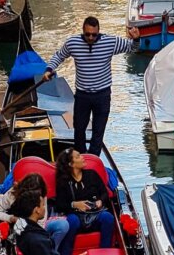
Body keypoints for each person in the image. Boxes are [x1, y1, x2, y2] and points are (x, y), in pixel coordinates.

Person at [44, 16, 140, 154]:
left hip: (102, 95)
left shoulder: (110, 42)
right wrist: (49, 69)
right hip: (82, 95)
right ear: (83, 31)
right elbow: (59, 56)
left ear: (98, 32)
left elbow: (132, 48)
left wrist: (136, 39)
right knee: (79, 129)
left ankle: (93, 160)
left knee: (98, 131)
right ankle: (80, 157)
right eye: (87, 34)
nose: (90, 37)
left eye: (94, 35)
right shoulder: (73, 43)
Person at [0, 172, 72, 255]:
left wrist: (39, 237)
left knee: (63, 225)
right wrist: (11, 218)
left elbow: (42, 222)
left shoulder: (42, 195)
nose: (38, 199)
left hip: (38, 227)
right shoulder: (12, 194)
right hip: (18, 229)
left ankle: (50, 254)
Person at [54, 148, 115, 249]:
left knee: (108, 217)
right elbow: (59, 205)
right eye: (78, 156)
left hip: (96, 214)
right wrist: (74, 204)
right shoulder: (63, 182)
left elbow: (104, 193)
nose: (83, 157)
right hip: (76, 216)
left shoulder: (92, 174)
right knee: (72, 221)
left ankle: (105, 252)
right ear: (71, 164)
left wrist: (100, 201)